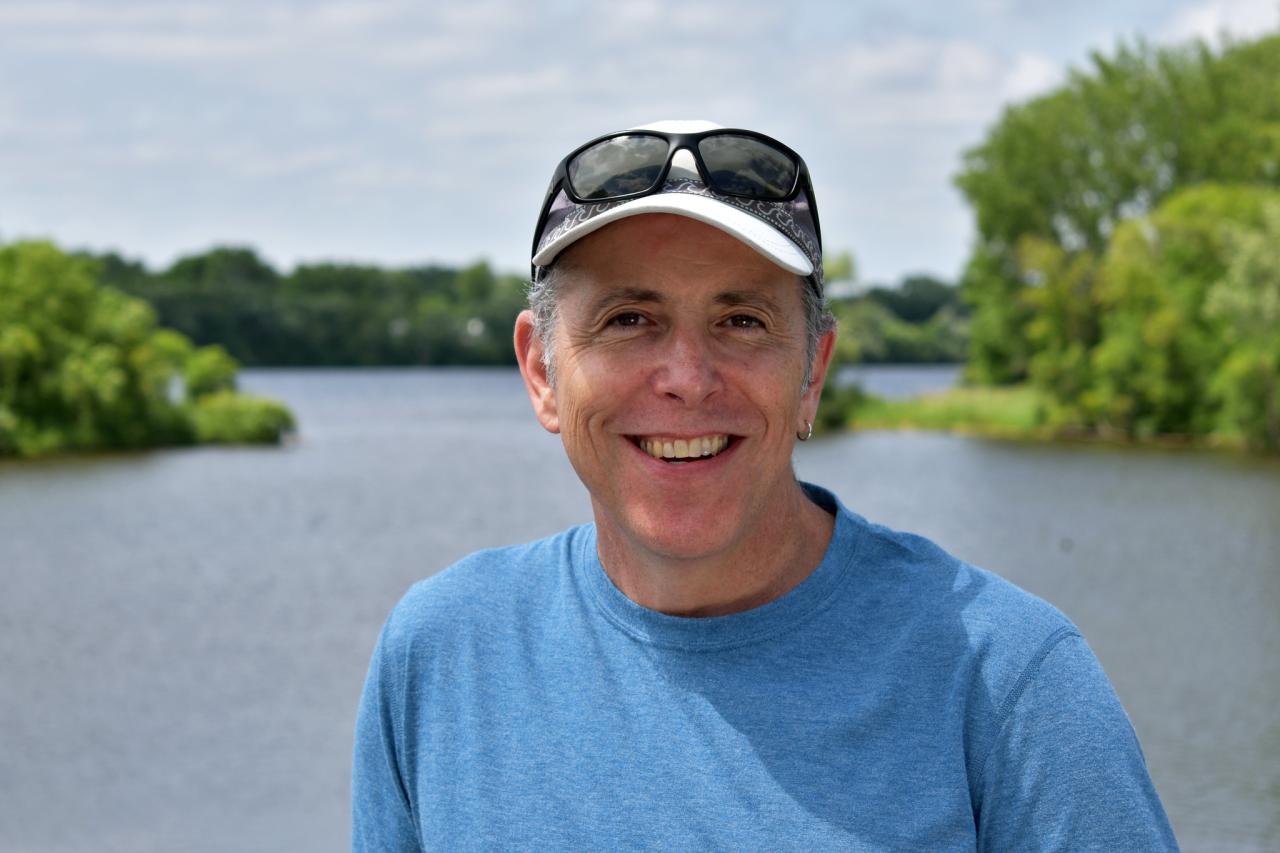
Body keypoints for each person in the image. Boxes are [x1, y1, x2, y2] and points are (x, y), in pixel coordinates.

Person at [352, 120, 1179, 851]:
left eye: (741, 320)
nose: (687, 377)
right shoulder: (439, 656)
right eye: (628, 319)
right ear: (541, 371)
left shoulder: (1007, 678)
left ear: (812, 373)